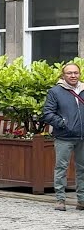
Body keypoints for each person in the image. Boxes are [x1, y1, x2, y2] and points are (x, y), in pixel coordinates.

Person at [43, 62, 84, 211]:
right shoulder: (55, 92)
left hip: (82, 137)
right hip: (64, 137)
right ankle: (60, 199)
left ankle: (82, 200)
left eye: (75, 73)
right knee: (61, 168)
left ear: (79, 74)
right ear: (63, 75)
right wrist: (63, 123)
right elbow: (47, 113)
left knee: (83, 169)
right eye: (69, 73)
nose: (73, 75)